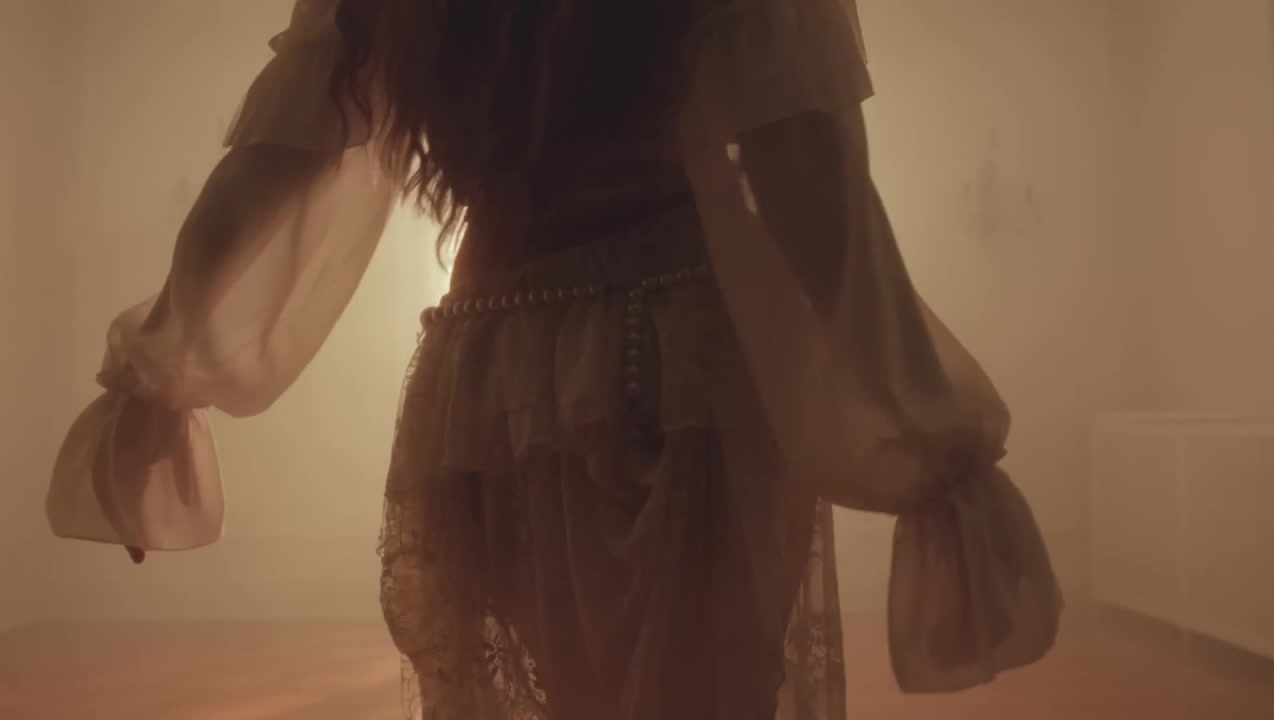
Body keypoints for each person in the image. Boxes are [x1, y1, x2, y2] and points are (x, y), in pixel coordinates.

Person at [47, 0, 1063, 717]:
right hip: (676, 362)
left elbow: (276, 164)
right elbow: (808, 182)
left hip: (490, 377)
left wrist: (163, 369)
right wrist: (923, 422)